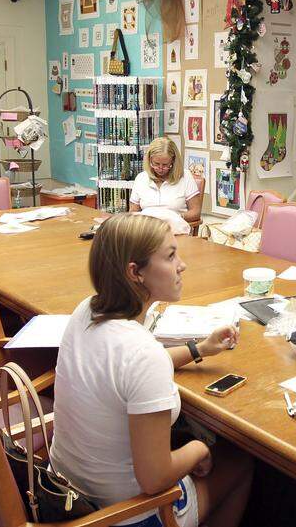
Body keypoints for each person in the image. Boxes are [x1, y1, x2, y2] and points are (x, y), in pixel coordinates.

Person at [50, 214, 254, 527]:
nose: (182, 265)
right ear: (136, 272)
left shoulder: (87, 310)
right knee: (240, 461)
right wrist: (199, 449)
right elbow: (154, 479)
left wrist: (199, 348)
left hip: (69, 496)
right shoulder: (142, 354)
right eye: (171, 256)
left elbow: (127, 368)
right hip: (127, 514)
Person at [130, 137, 202, 223]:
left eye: (165, 165)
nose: (160, 168)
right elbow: (133, 213)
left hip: (176, 229)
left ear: (173, 161)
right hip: (147, 231)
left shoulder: (185, 176)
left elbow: (196, 212)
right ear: (149, 160)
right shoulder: (141, 178)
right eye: (156, 164)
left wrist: (176, 218)